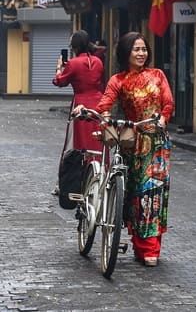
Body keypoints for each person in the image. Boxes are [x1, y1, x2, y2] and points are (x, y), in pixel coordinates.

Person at [77, 32, 173, 267]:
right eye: (136, 49)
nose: (141, 54)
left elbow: (168, 103)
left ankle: (150, 248)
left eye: (144, 49)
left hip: (156, 144)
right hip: (131, 142)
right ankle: (139, 244)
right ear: (126, 53)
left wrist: (162, 120)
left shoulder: (157, 75)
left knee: (152, 193)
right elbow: (106, 104)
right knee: (133, 194)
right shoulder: (118, 80)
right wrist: (104, 117)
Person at [53, 31, 104, 153]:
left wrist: (59, 69)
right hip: (99, 102)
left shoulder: (73, 63)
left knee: (82, 138)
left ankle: (82, 163)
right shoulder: (98, 61)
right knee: (98, 136)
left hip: (81, 103)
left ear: (75, 46)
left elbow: (60, 81)